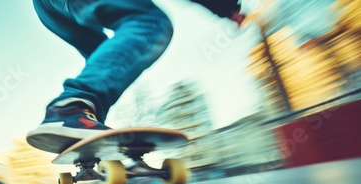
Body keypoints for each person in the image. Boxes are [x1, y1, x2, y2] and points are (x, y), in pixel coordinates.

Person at [27, 0, 246, 153]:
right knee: (149, 22)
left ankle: (83, 124)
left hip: (49, 8)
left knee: (108, 59)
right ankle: (69, 109)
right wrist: (227, 7)